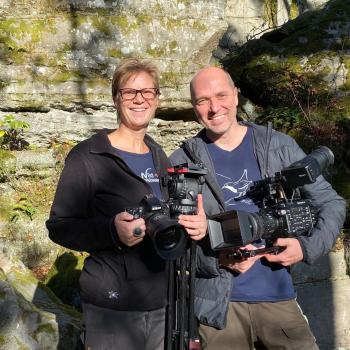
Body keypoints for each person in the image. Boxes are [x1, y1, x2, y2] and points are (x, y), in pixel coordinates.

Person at [170, 66, 346, 350]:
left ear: (236, 96)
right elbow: (172, 248)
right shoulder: (183, 162)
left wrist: (306, 247)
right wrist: (216, 259)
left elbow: (332, 203)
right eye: (203, 101)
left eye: (221, 95)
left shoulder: (277, 146)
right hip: (219, 309)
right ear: (194, 107)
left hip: (278, 298)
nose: (214, 107)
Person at [46, 58, 207, 350]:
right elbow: (59, 227)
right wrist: (111, 231)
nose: (139, 100)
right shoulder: (88, 156)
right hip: (113, 306)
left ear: (157, 99)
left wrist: (193, 223)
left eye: (148, 92)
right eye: (129, 92)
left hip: (162, 302)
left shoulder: (160, 156)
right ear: (115, 99)